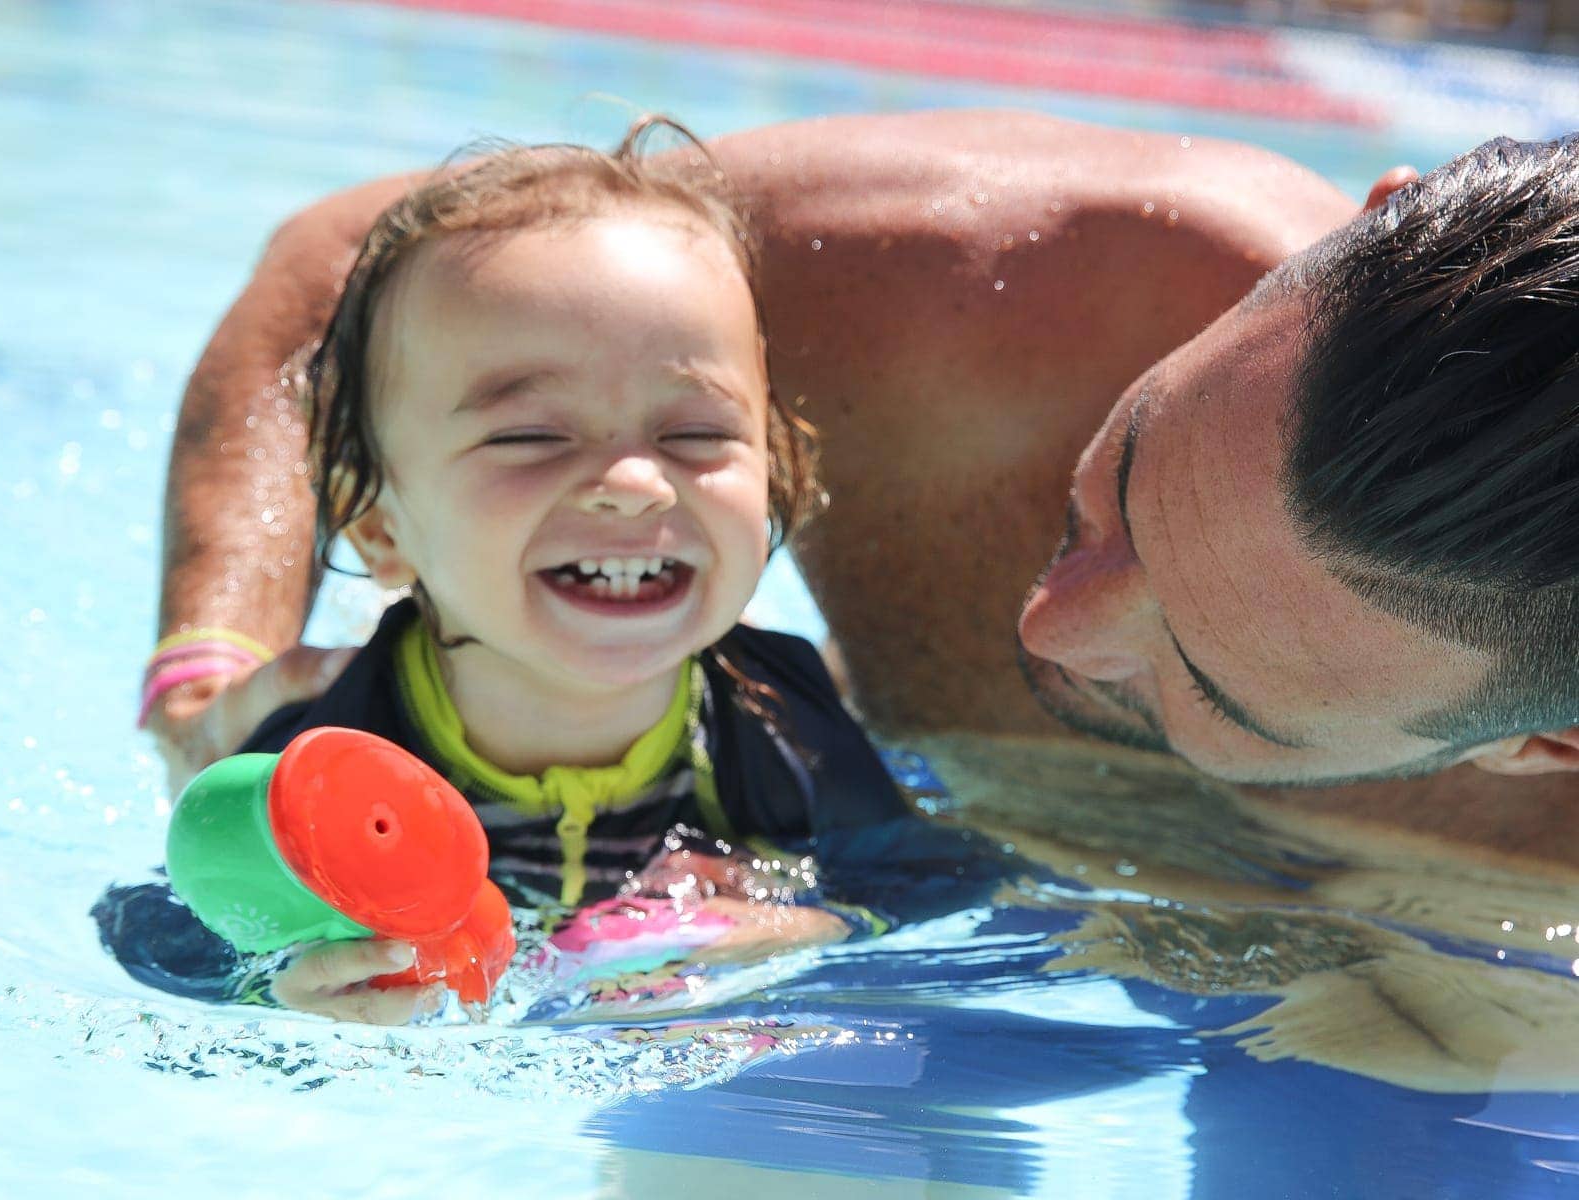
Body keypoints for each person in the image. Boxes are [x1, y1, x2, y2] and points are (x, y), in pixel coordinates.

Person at [146, 111, 1579, 867]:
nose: (1048, 626)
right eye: (1119, 483)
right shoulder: (981, 287)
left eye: (1210, 682)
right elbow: (357, 272)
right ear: (1373, 225)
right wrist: (211, 674)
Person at [110, 120, 907, 1022]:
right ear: (379, 527)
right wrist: (279, 986)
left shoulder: (778, 718)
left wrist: (795, 927)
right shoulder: (336, 756)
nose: (637, 487)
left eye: (697, 434)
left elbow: (925, 885)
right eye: (531, 436)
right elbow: (155, 931)